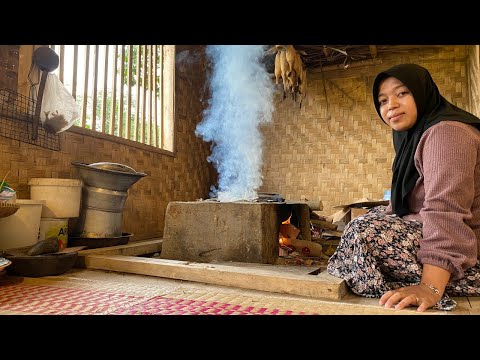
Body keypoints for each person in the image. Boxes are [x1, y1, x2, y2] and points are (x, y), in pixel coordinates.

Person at [327, 63, 480, 312]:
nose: (391, 106)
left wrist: (429, 288)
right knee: (371, 219)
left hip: (469, 246)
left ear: (422, 92)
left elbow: (446, 211)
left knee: (362, 231)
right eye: (383, 100)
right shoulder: (414, 136)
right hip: (434, 228)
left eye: (402, 94)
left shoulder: (447, 134)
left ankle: (448, 277)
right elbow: (402, 204)